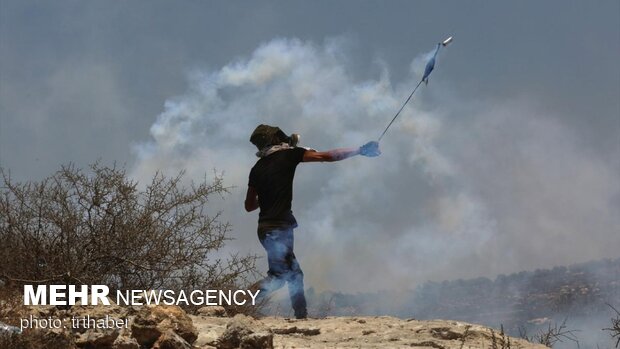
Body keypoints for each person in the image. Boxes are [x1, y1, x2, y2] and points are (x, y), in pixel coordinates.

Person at [245, 124, 380, 319]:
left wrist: (267, 196)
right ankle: (237, 302)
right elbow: (328, 156)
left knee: (292, 274)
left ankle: (301, 316)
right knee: (279, 277)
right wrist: (360, 150)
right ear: (275, 140)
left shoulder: (256, 169)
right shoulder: (290, 155)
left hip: (265, 229)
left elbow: (249, 206)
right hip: (279, 229)